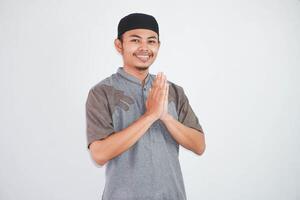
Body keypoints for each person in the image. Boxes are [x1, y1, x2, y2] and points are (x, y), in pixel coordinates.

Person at [85, 12, 206, 200]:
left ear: (158, 45)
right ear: (119, 45)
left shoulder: (173, 91)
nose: (144, 48)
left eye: (151, 41)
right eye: (135, 40)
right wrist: (150, 116)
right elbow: (99, 155)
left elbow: (199, 145)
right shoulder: (102, 92)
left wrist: (165, 117)